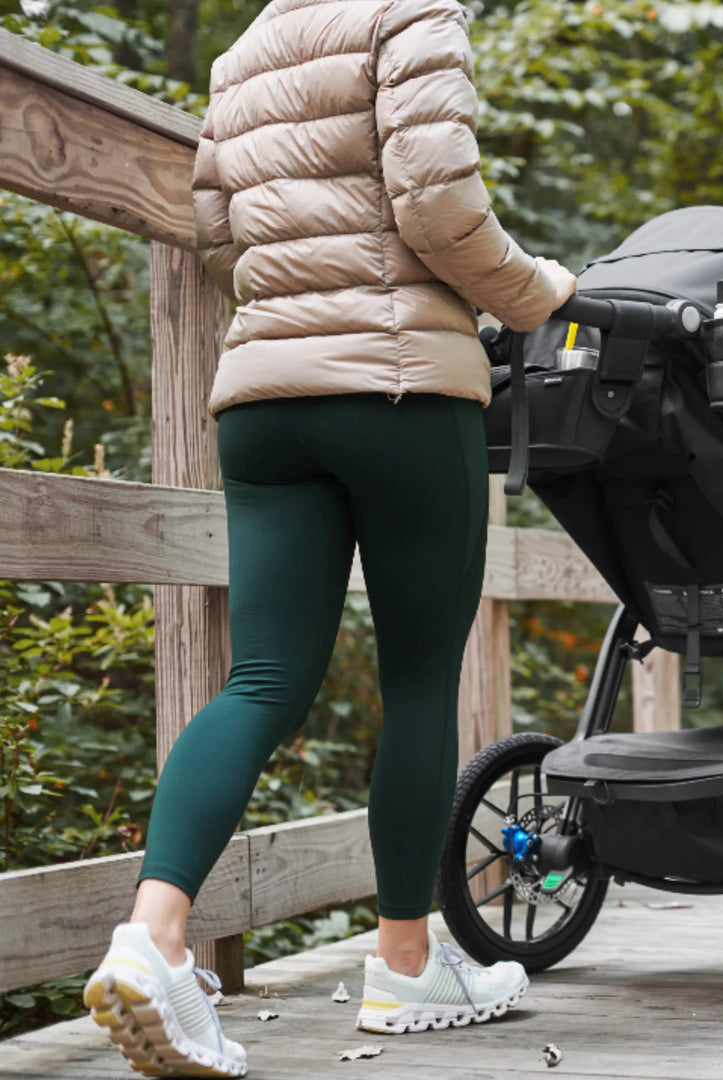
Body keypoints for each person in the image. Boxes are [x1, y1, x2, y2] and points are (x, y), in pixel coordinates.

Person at [82, 0, 578, 1074]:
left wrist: (293, 324)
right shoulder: (411, 16)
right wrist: (539, 295)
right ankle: (405, 965)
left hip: (265, 400)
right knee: (414, 683)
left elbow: (219, 235)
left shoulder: (245, 51)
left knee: (259, 681)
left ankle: (152, 934)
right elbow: (440, 207)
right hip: (399, 388)